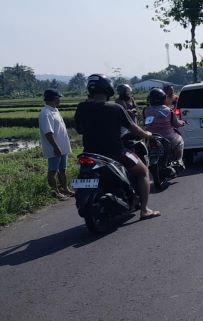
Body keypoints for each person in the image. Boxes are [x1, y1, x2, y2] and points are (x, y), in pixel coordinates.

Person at [75, 74, 160, 220]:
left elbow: (79, 129)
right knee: (143, 171)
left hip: (89, 154)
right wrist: (147, 135)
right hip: (115, 153)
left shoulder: (82, 107)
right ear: (108, 88)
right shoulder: (116, 108)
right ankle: (145, 210)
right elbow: (134, 128)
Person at [38, 88, 73, 200]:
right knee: (52, 171)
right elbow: (48, 133)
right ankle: (56, 192)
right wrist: (56, 147)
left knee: (62, 170)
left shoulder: (55, 110)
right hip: (55, 148)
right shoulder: (46, 113)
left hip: (62, 147)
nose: (60, 100)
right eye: (59, 98)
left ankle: (65, 189)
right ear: (54, 98)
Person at [143, 88, 186, 168]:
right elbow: (176, 124)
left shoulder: (146, 110)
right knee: (180, 140)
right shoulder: (168, 110)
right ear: (163, 98)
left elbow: (145, 123)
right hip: (168, 137)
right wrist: (183, 122)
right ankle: (179, 160)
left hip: (151, 137)